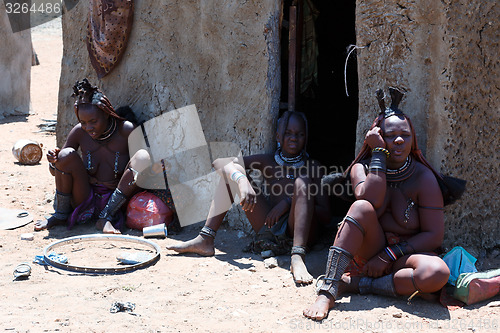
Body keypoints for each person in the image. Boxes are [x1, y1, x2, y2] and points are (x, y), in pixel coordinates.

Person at [303, 87, 450, 320]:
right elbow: (370, 200)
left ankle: (358, 284)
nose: (399, 140)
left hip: (403, 257)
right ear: (378, 138)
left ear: (413, 140)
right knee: (361, 208)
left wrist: (389, 254)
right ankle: (328, 290)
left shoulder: (423, 177)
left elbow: (434, 235)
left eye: (406, 135)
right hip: (367, 252)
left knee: (437, 272)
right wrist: (379, 154)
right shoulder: (361, 168)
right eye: (390, 136)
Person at [167, 111, 331, 284]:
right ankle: (205, 239)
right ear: (277, 136)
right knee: (231, 176)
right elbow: (219, 163)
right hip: (271, 228)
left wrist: (289, 202)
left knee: (302, 181)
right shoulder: (268, 161)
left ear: (306, 138)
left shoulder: (314, 167)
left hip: (301, 232)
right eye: (288, 133)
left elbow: (326, 216)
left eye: (300, 134)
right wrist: (242, 180)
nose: (293, 138)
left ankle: (297, 257)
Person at [34, 79, 151, 234]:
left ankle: (105, 218)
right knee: (65, 154)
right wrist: (54, 161)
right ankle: (61, 215)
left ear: (106, 114)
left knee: (143, 156)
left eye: (93, 121)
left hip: (117, 202)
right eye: (83, 122)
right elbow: (58, 170)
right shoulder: (79, 132)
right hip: (84, 196)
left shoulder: (126, 130)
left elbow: (144, 170)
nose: (88, 127)